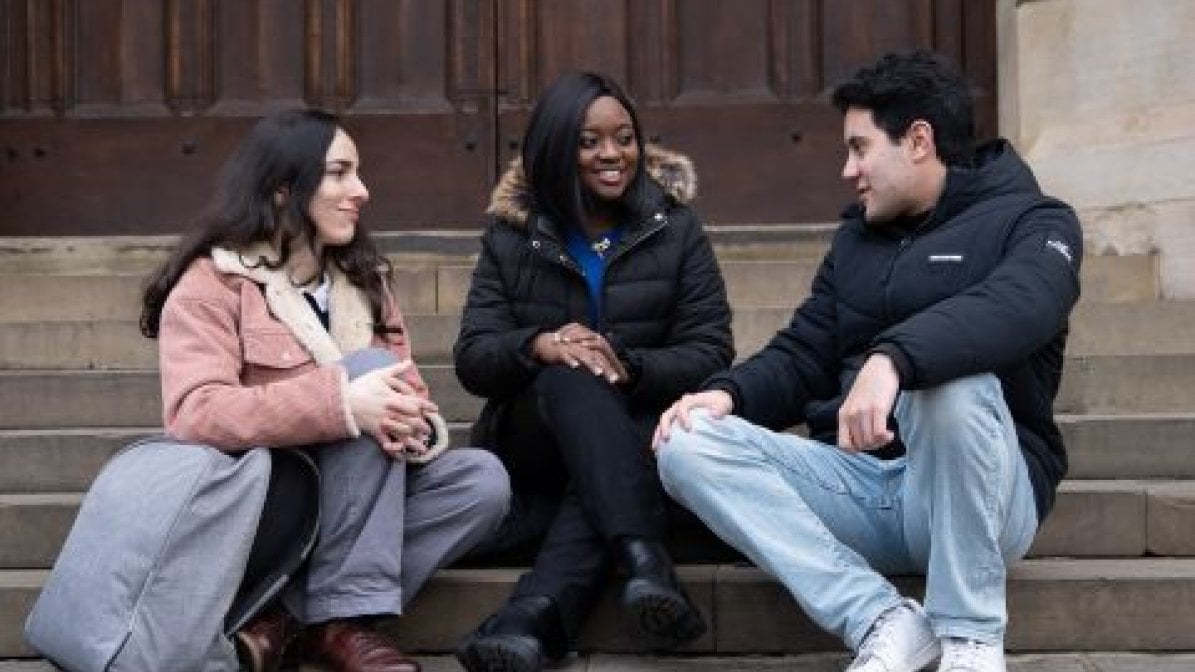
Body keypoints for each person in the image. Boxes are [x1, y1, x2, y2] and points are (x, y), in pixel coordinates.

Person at [653, 51, 1082, 672]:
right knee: (686, 444)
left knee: (949, 385)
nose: (848, 169)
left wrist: (894, 360)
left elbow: (1024, 303)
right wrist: (726, 396)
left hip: (983, 496)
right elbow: (804, 351)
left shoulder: (1036, 221)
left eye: (859, 148)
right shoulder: (856, 240)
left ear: (917, 141)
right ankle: (881, 618)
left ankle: (969, 638)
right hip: (864, 488)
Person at [139, 109, 511, 672]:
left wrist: (414, 424)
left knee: (482, 482)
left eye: (357, 173)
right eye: (339, 174)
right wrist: (340, 403)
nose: (360, 191)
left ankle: (296, 619)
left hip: (358, 496)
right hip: (265, 509)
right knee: (360, 377)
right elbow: (195, 413)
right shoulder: (211, 283)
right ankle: (345, 625)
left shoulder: (365, 282)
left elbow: (408, 387)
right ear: (285, 190)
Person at [452, 72, 734, 671]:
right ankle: (642, 555)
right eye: (589, 141)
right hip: (537, 440)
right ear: (557, 148)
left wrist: (628, 367)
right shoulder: (512, 235)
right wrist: (541, 345)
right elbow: (475, 357)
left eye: (624, 137)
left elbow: (710, 352)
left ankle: (535, 617)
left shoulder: (674, 228)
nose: (612, 154)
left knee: (614, 424)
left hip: (643, 432)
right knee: (570, 371)